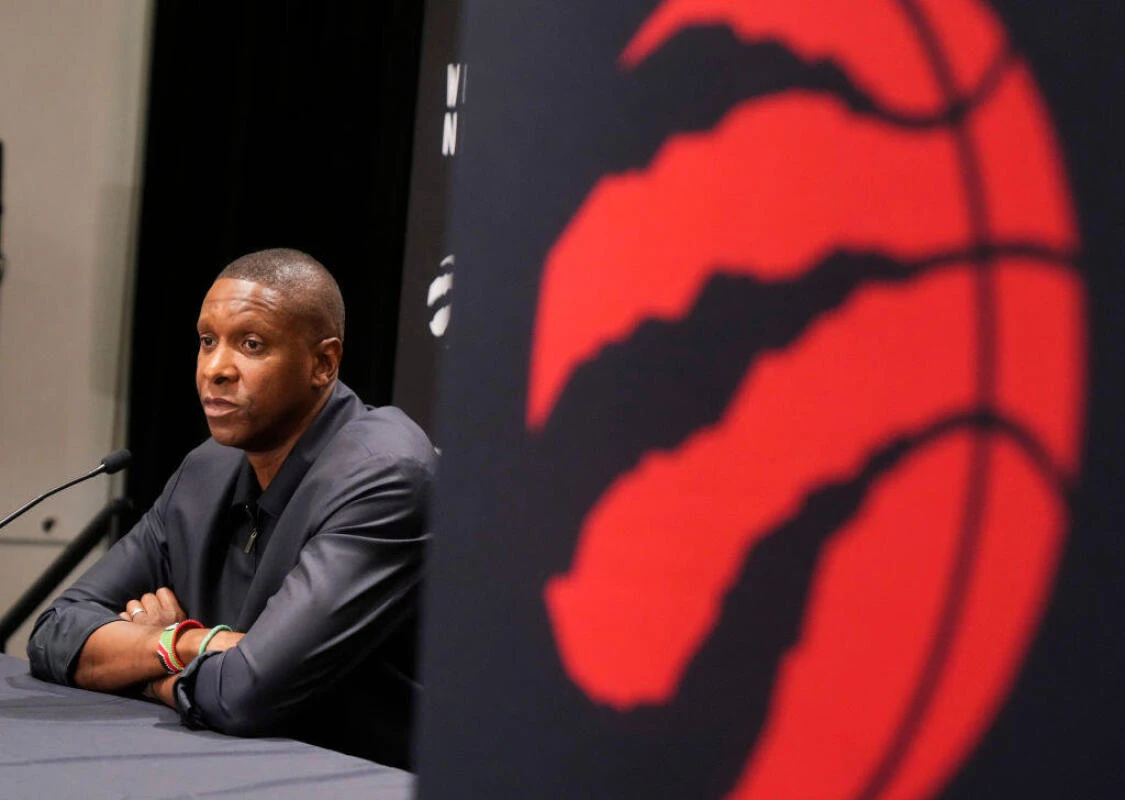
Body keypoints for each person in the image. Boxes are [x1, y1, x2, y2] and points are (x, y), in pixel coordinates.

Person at [27, 249, 435, 769]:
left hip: (365, 778)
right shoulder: (207, 469)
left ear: (323, 363)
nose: (216, 369)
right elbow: (56, 631)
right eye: (207, 341)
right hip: (230, 763)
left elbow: (244, 692)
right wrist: (182, 643)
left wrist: (138, 666)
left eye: (251, 344)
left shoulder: (385, 475)